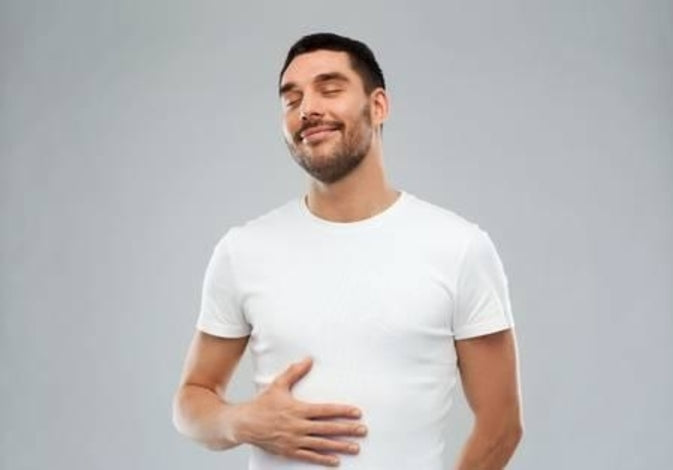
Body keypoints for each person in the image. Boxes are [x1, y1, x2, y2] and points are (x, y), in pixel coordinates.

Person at [172, 32, 523, 469]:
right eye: (291, 99)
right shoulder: (243, 250)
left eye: (330, 89)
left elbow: (501, 424)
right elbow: (191, 400)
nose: (307, 109)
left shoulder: (459, 247)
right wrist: (241, 421)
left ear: (378, 106)